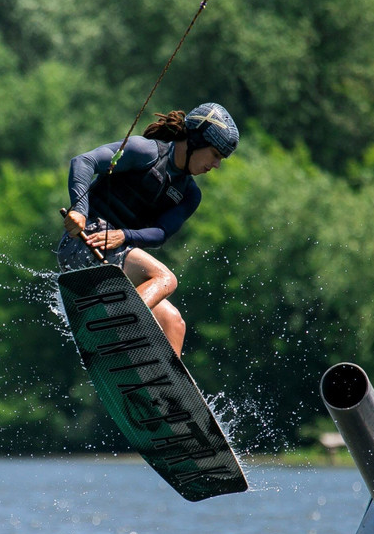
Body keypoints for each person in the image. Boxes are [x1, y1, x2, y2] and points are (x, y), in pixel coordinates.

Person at [57, 102, 239, 356]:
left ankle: (163, 393)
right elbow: (84, 162)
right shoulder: (145, 151)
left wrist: (125, 235)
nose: (217, 164)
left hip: (117, 255)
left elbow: (160, 234)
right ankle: (112, 331)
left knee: (173, 323)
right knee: (165, 279)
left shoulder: (190, 194)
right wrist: (79, 210)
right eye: (216, 154)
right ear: (196, 140)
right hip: (86, 242)